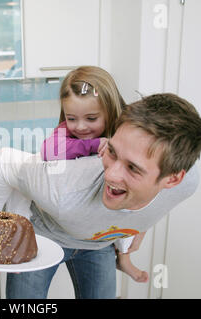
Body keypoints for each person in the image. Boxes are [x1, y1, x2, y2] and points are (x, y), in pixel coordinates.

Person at [0, 92, 201, 298]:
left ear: (173, 179)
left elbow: (155, 203)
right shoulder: (63, 188)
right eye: (111, 151)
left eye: (133, 168)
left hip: (99, 245)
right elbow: (4, 162)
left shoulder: (187, 183)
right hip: (44, 236)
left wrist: (140, 228)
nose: (110, 175)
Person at [41, 66, 148, 283]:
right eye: (72, 118)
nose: (80, 126)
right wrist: (93, 144)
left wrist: (143, 227)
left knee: (130, 214)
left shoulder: (123, 132)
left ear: (109, 110)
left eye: (91, 118)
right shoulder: (66, 131)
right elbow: (48, 151)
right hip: (63, 222)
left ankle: (124, 258)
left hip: (104, 221)